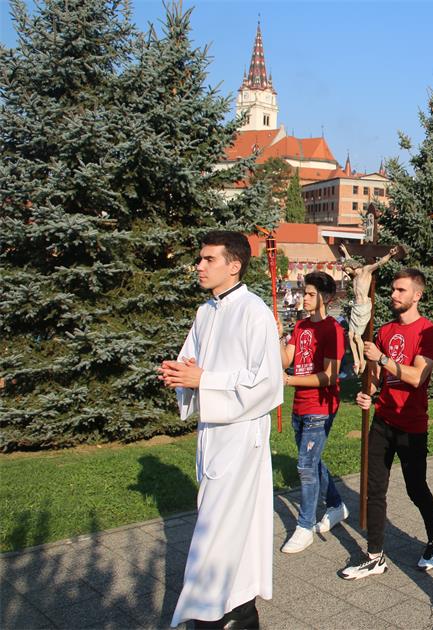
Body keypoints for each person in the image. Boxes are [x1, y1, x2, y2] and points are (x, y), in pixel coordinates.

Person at [158, 231, 282, 629]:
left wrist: (203, 380)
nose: (199, 266)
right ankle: (242, 613)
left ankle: (205, 613)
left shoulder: (254, 312)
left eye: (208, 259)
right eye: (200, 258)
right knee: (232, 532)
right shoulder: (205, 312)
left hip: (241, 439)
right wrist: (179, 374)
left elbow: (268, 383)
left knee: (215, 534)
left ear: (234, 265)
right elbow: (191, 363)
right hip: (212, 435)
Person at [340, 269, 433, 579]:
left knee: (416, 488)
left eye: (401, 290)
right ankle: (374, 556)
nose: (394, 295)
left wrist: (383, 358)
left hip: (411, 425)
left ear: (417, 295)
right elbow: (377, 379)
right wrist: (368, 393)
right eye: (393, 290)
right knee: (374, 489)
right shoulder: (385, 330)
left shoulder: (428, 331)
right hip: (383, 421)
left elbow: (417, 377)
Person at [279, 271, 348, 554]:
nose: (304, 298)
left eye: (310, 294)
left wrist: (290, 380)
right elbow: (286, 360)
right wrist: (276, 337)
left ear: (326, 297)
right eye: (303, 293)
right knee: (312, 461)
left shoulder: (333, 330)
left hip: (321, 406)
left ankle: (304, 526)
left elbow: (330, 376)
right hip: (300, 404)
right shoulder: (301, 326)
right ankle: (336, 505)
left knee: (305, 467)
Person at [338, 243, 399, 375]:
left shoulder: (366, 271)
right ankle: (356, 360)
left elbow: (379, 263)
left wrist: (390, 254)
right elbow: (349, 260)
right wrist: (345, 252)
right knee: (350, 335)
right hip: (356, 307)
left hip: (364, 307)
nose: (346, 272)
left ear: (353, 267)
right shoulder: (354, 276)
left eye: (347, 270)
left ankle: (362, 360)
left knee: (357, 336)